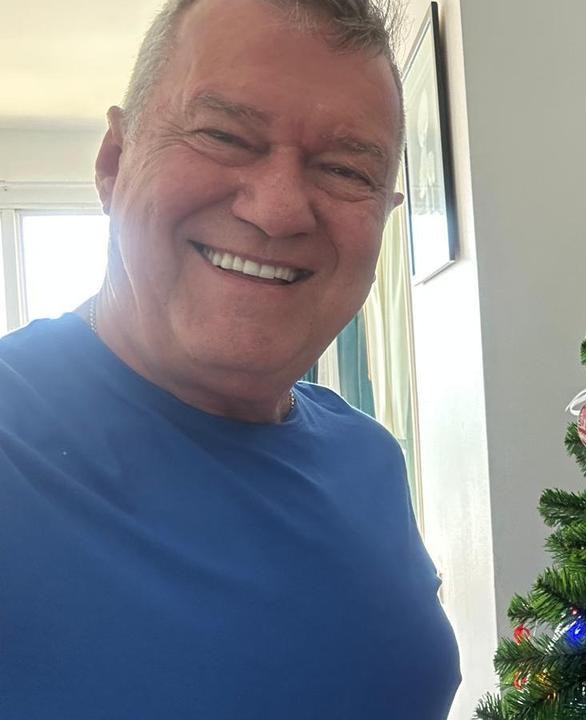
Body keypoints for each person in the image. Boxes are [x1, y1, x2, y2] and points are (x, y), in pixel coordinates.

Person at [0, 1, 460, 718]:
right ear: (115, 163)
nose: (279, 210)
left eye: (343, 169)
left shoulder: (368, 457)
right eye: (223, 135)